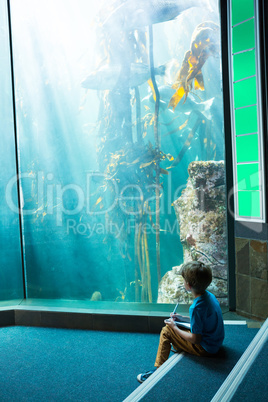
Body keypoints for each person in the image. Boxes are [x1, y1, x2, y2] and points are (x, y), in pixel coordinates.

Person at [137, 261, 225, 383]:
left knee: (167, 331)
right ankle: (178, 344)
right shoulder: (210, 296)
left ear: (188, 285)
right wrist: (181, 318)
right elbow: (202, 321)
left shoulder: (195, 308)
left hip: (205, 348)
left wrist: (174, 327)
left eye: (184, 280)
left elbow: (196, 339)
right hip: (216, 342)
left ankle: (157, 371)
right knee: (177, 325)